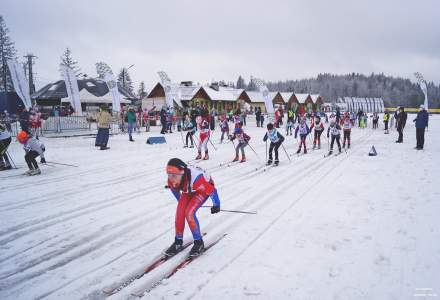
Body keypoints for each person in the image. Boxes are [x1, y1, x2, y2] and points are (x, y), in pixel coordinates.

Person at [164, 158, 221, 257]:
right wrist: (182, 203)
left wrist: (216, 205)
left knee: (189, 213)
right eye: (169, 175)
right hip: (189, 189)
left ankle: (199, 243)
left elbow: (212, 191)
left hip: (202, 189)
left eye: (174, 176)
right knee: (180, 212)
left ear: (182, 173)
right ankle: (178, 241)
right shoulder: (172, 179)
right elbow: (174, 191)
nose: (171, 178)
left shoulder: (197, 179)